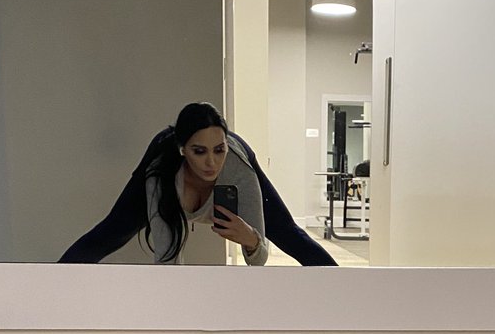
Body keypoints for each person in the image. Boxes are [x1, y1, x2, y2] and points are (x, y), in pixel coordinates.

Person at [59, 102, 337, 266]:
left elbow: (259, 259)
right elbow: (167, 260)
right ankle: (50, 285)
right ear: (183, 149)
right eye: (199, 152)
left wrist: (251, 239)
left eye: (219, 150)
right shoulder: (161, 173)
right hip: (164, 166)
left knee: (289, 234)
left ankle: (344, 288)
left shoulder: (238, 169)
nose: (211, 163)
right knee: (111, 232)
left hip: (241, 165)